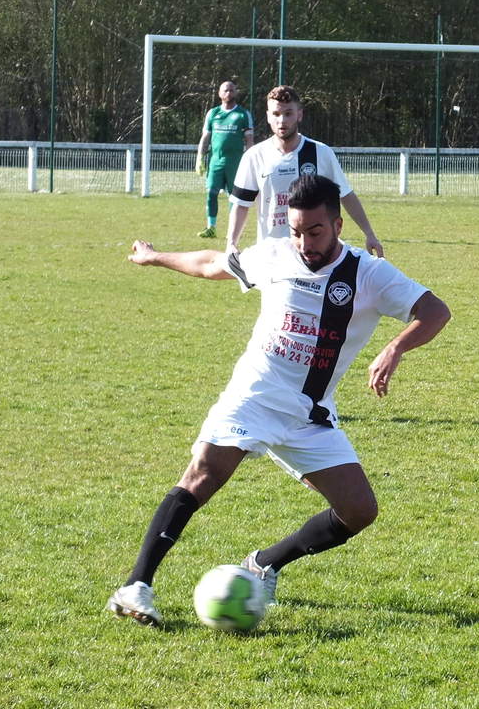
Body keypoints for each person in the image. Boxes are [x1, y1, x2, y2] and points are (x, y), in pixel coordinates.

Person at [108, 174, 450, 626]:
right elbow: (211, 263)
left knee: (359, 511)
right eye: (296, 231)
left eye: (315, 231)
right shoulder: (275, 254)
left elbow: (435, 311)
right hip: (254, 395)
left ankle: (264, 565)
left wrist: (395, 348)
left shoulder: (369, 274)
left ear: (338, 225)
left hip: (309, 414)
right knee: (204, 473)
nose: (305, 243)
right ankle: (136, 587)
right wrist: (155, 257)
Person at [226, 85, 384, 258]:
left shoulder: (321, 152)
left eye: (288, 113)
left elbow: (345, 194)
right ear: (268, 116)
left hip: (315, 254)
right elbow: (241, 204)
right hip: (272, 256)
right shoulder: (255, 156)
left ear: (299, 114)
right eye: (276, 114)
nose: (282, 120)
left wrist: (370, 234)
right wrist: (231, 244)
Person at [195, 80, 254, 239]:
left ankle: (232, 230)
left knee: (234, 197)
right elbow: (205, 137)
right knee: (211, 193)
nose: (228, 93)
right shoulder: (213, 113)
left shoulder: (243, 114)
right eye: (225, 90)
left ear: (236, 93)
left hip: (235, 163)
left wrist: (250, 160)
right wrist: (199, 157)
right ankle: (211, 227)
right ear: (219, 94)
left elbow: (249, 139)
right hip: (216, 161)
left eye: (231, 90)